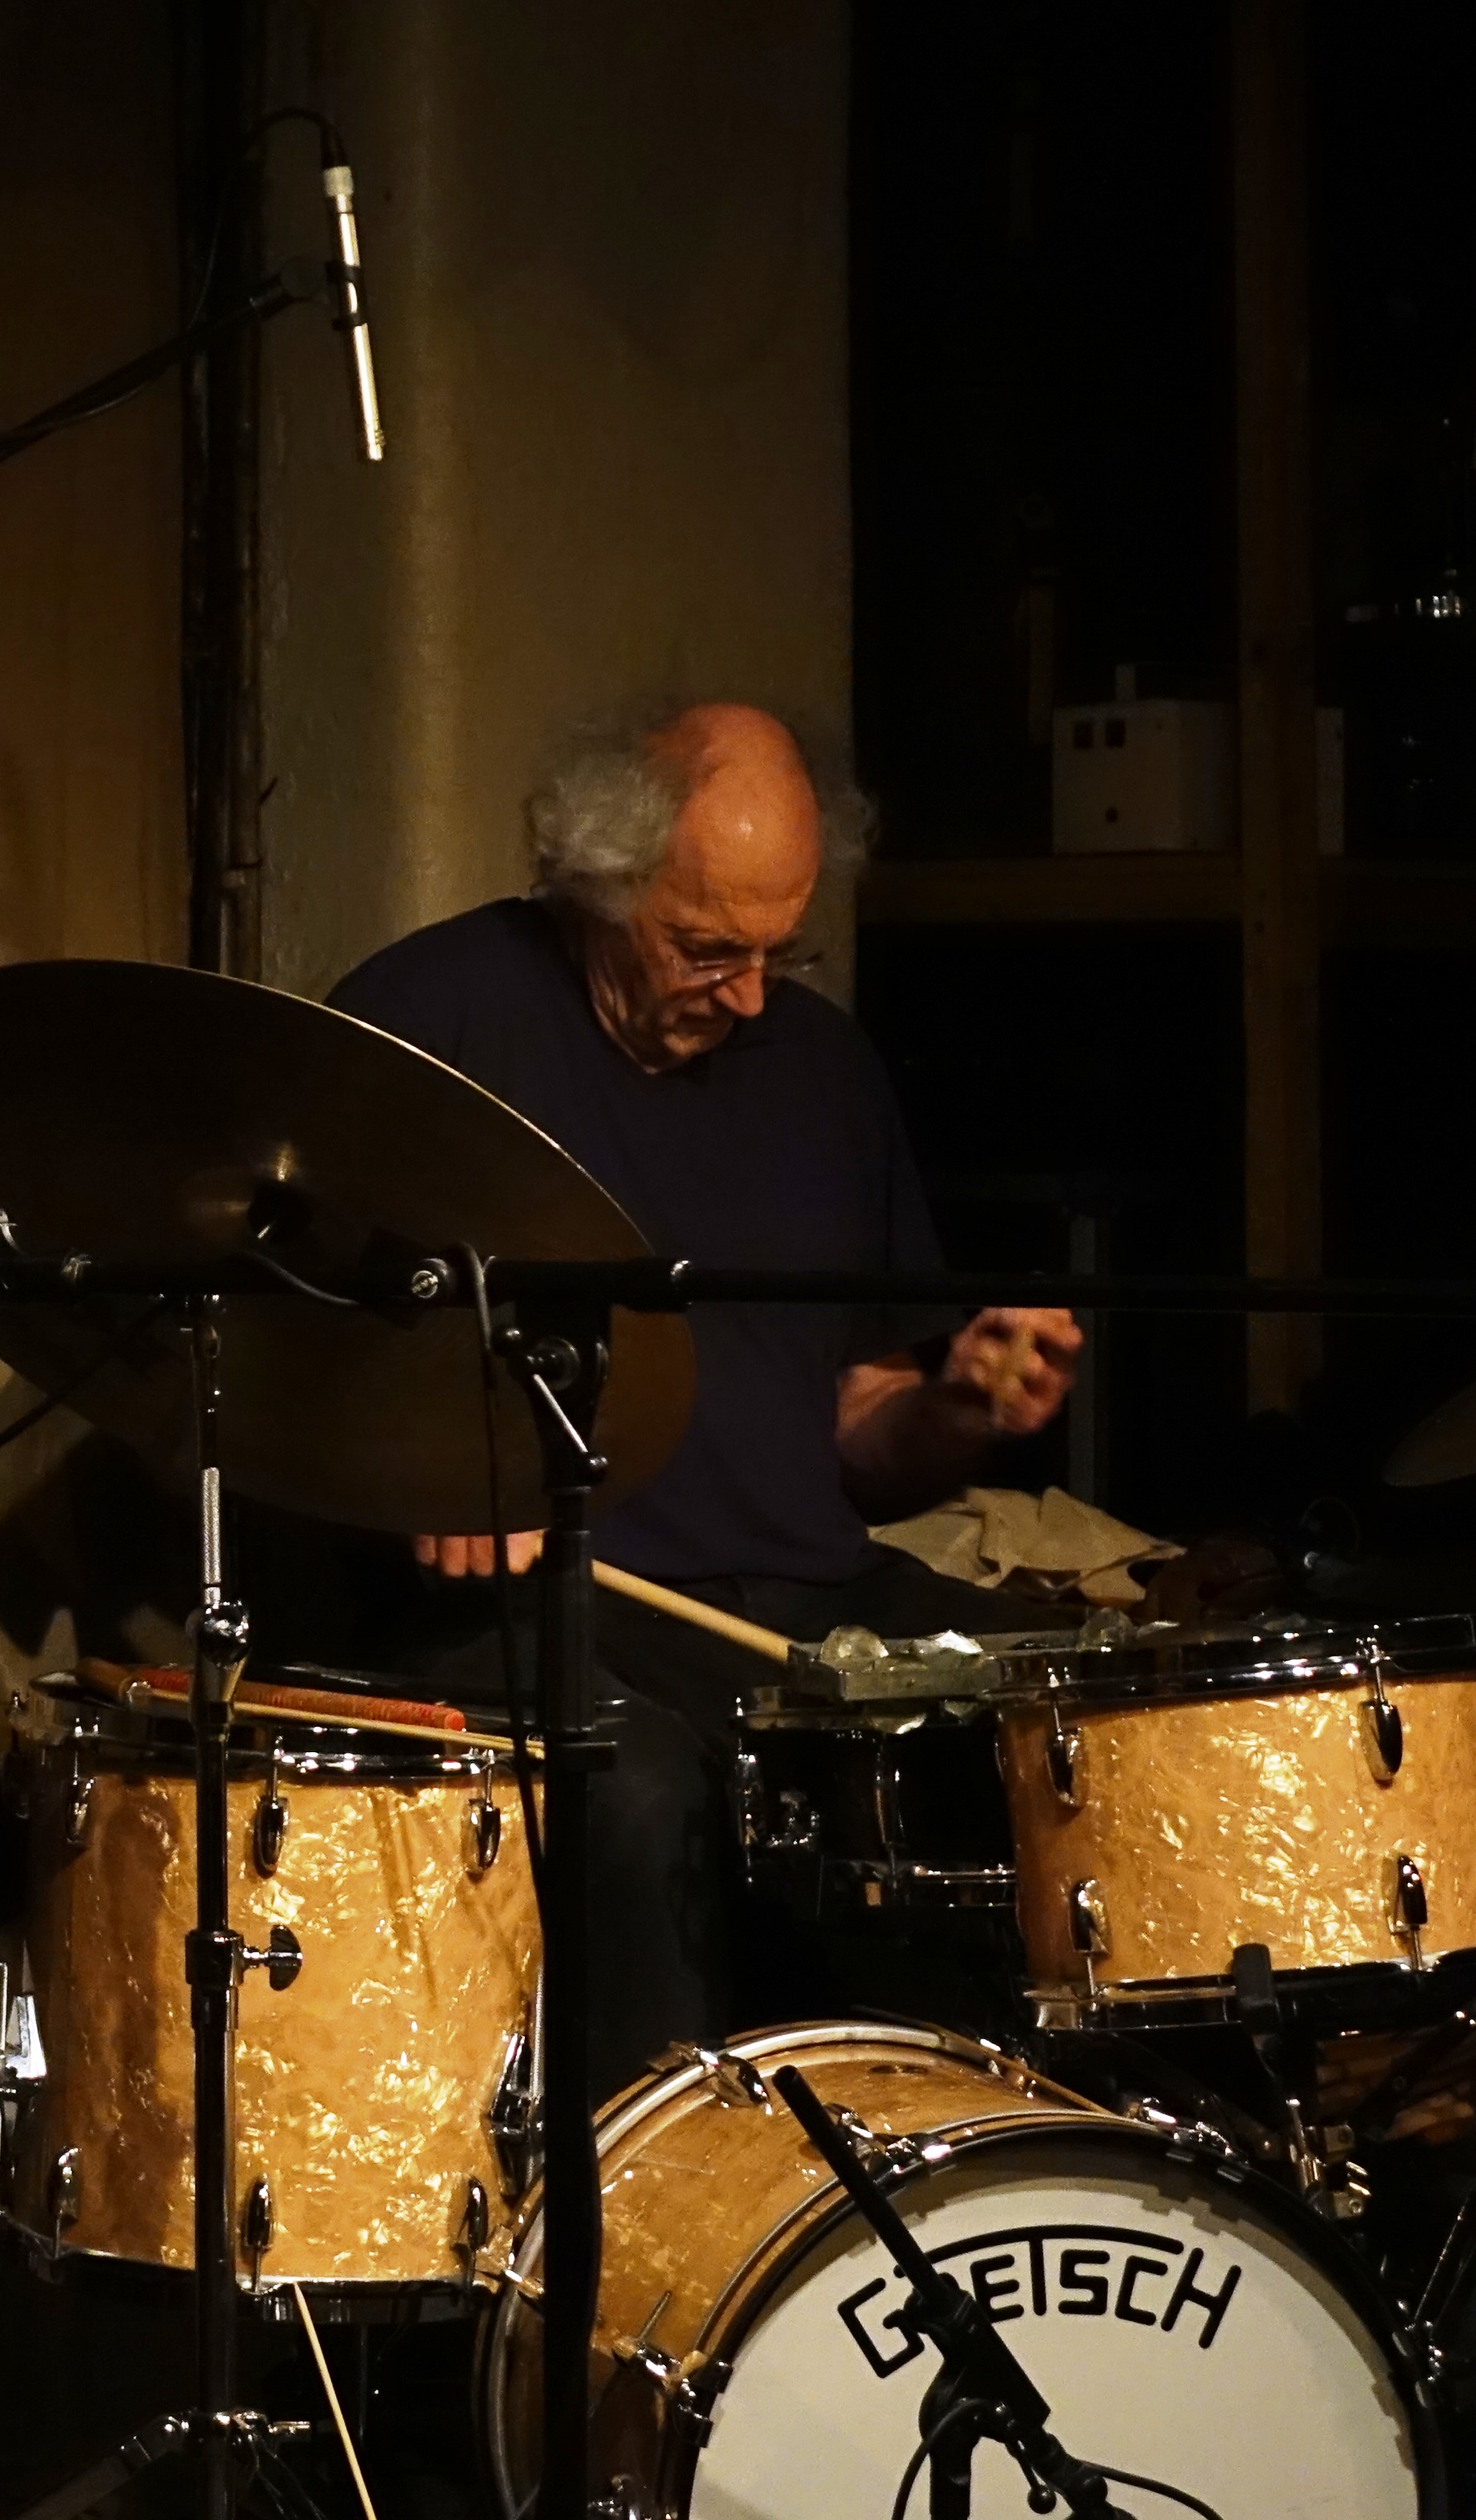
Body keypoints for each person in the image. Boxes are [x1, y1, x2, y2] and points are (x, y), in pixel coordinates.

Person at [317, 700, 1079, 2084]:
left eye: (780, 952)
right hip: (529, 1611)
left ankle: (1000, 2179)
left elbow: (858, 1430)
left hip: (788, 1605)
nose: (746, 995)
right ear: (597, 886)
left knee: (1057, 1703)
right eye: (706, 948)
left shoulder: (821, 1065)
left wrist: (956, 1411)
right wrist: (435, 1459)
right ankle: (666, 2239)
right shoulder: (424, 1025)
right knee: (644, 1786)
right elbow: (288, 1359)